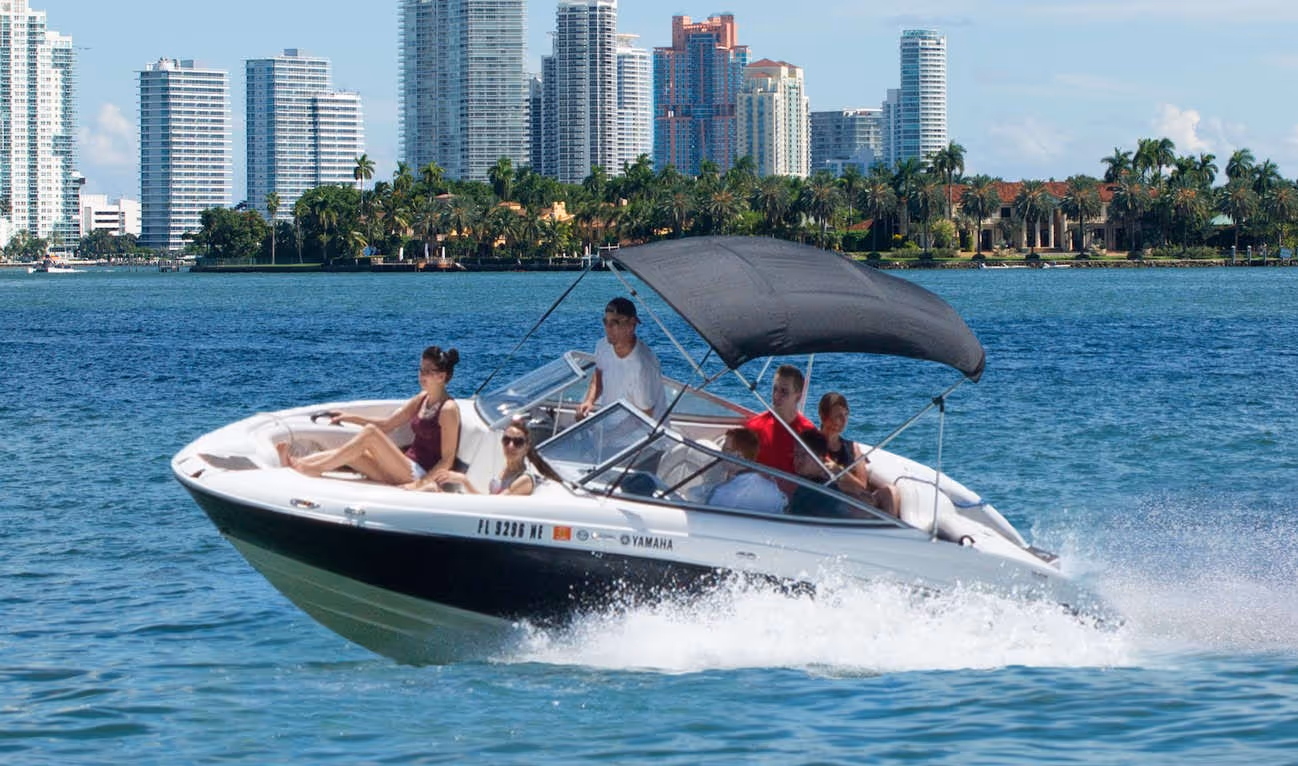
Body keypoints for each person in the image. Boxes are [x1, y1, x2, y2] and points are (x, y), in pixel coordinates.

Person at [277, 346, 461, 491]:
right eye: (421, 370)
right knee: (354, 454)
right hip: (402, 466)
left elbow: (447, 460)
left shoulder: (448, 409)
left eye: (428, 371)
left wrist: (420, 485)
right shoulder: (422, 398)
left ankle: (309, 469)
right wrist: (351, 417)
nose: (422, 375)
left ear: (441, 376)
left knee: (371, 434)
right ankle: (297, 465)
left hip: (418, 474)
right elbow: (388, 424)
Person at [577, 297, 667, 421]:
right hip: (609, 426)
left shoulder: (642, 365)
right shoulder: (602, 346)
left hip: (644, 434)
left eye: (614, 323)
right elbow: (599, 374)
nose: (608, 328)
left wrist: (614, 434)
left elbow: (646, 414)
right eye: (605, 322)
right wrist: (589, 401)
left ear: (632, 324)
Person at [817, 391, 901, 518]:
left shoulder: (853, 448)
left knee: (891, 492)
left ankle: (890, 532)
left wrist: (840, 472)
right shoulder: (813, 445)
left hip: (856, 499)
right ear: (824, 416)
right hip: (830, 500)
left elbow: (862, 485)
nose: (844, 420)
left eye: (846, 415)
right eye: (838, 416)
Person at [433, 418, 552, 496]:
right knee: (432, 488)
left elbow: (491, 506)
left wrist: (463, 481)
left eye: (518, 442)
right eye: (506, 440)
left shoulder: (524, 480)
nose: (511, 446)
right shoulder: (508, 469)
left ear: (526, 447)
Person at [744, 364, 817, 478]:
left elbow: (818, 472)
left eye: (784, 391)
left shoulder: (809, 432)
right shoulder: (754, 427)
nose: (776, 395)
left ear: (797, 397)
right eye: (775, 389)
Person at [704, 427, 787, 513]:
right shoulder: (773, 489)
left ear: (739, 456)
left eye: (726, 450)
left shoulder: (722, 493)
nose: (721, 454)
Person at [786, 429, 860, 519]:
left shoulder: (825, 491)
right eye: (796, 454)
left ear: (820, 458)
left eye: (803, 454)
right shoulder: (802, 482)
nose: (798, 460)